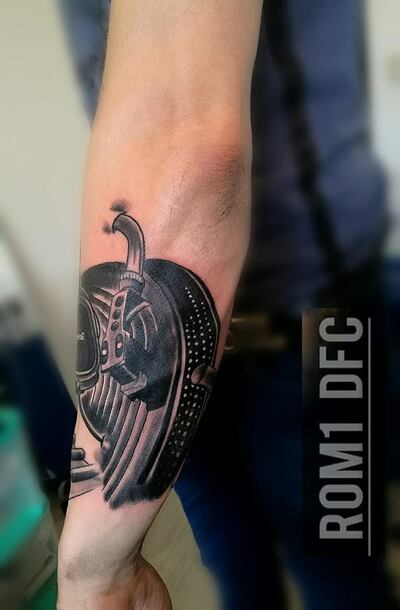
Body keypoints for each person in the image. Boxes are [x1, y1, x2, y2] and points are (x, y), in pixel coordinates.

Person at [57, 1, 387, 609]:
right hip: (191, 366)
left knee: (335, 572)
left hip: (316, 328)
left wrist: (89, 568)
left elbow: (184, 141)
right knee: (252, 568)